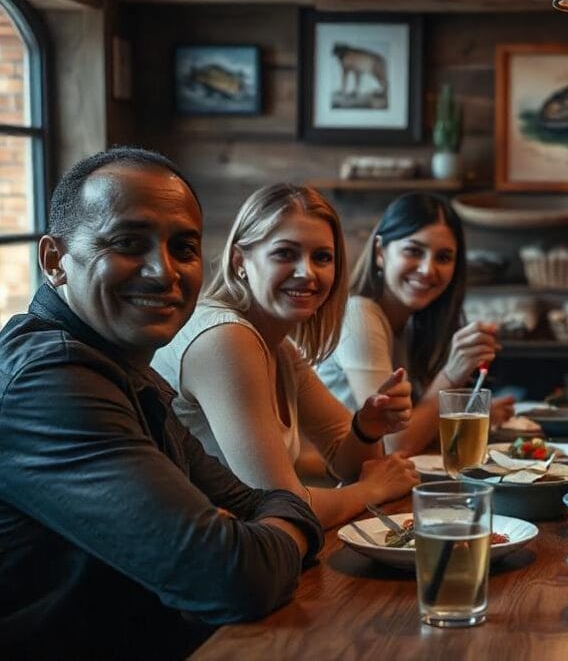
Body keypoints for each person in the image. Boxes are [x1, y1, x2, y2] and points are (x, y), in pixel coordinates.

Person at [0, 148, 322, 658]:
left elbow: (258, 502)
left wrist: (265, 528)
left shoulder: (124, 367)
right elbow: (233, 578)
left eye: (184, 247)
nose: (163, 271)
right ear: (55, 261)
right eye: (129, 242)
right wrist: (280, 530)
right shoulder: (51, 380)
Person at [151, 183, 418, 530]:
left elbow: (345, 459)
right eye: (285, 253)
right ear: (240, 261)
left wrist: (367, 428)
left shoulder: (279, 345)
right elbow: (282, 505)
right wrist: (373, 489)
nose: (307, 272)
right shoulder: (226, 338)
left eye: (322, 257)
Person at [317, 193, 514, 455]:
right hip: (329, 488)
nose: (427, 270)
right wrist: (452, 373)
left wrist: (474, 415)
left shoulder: (411, 325)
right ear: (380, 252)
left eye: (443, 257)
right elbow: (393, 444)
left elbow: (418, 431)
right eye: (413, 251)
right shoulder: (359, 315)